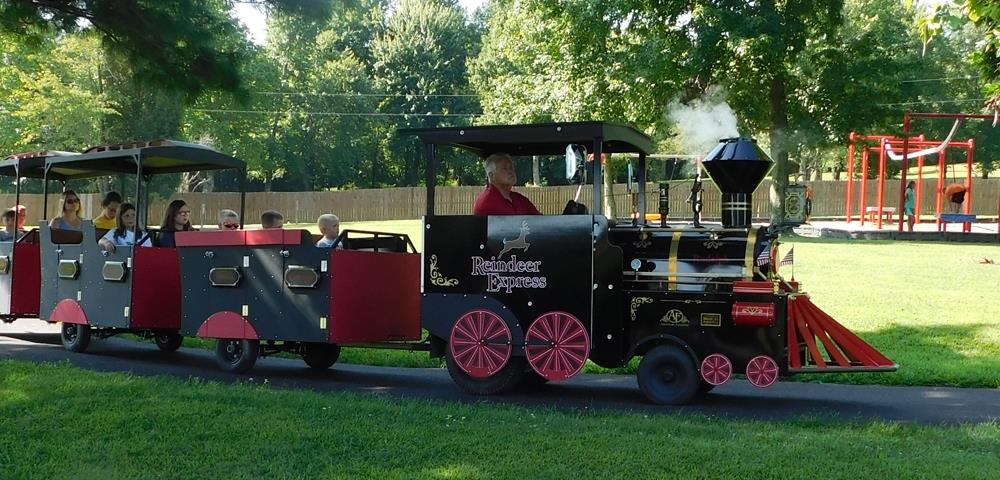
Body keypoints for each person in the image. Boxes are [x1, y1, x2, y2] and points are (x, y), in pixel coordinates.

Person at [473, 152, 541, 216]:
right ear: (491, 176)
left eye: (511, 168)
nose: (510, 171)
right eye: (505, 168)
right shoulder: (487, 203)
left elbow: (541, 220)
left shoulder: (520, 199)